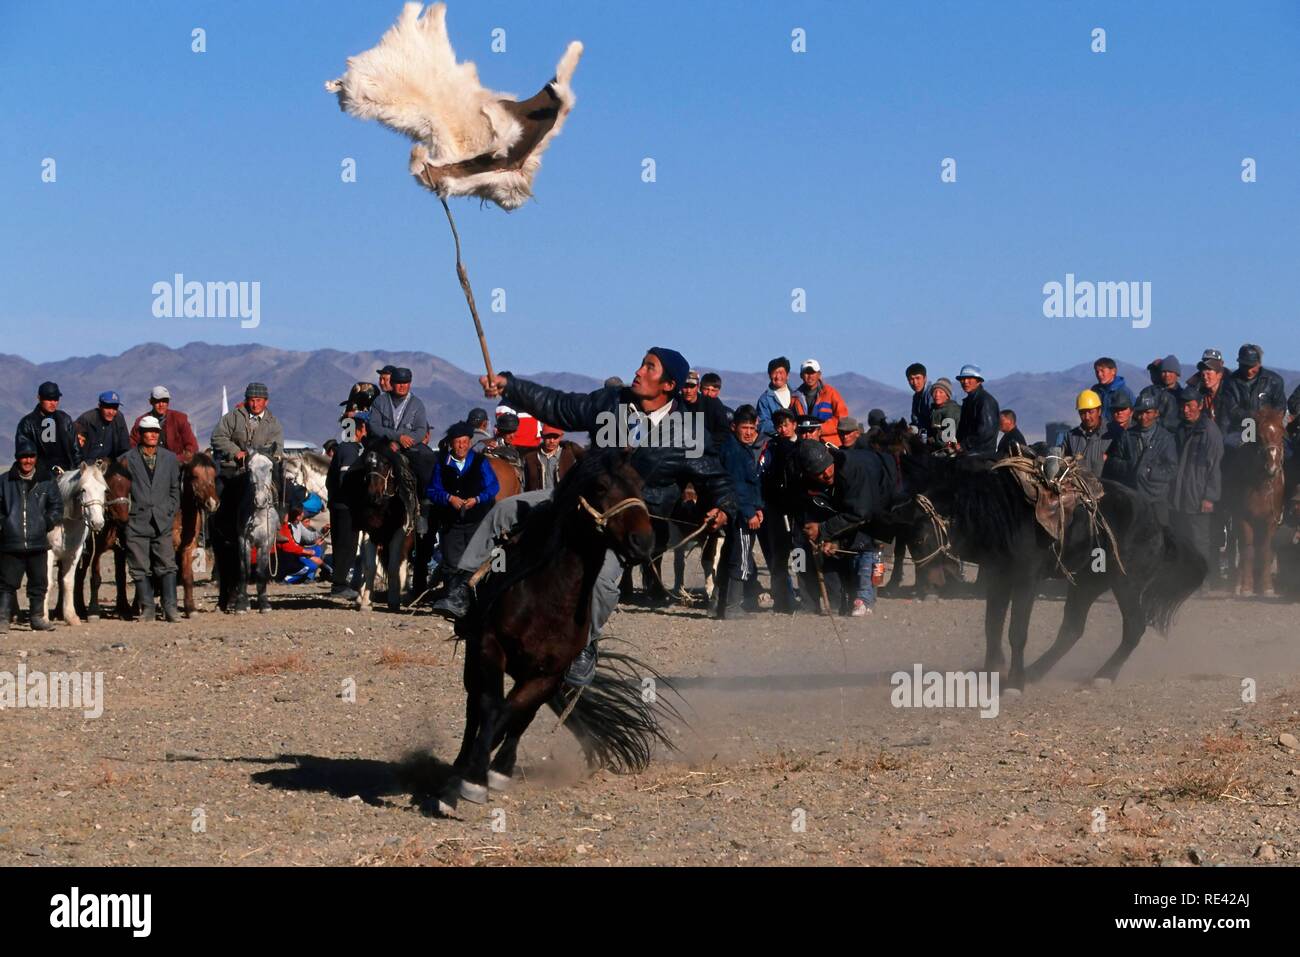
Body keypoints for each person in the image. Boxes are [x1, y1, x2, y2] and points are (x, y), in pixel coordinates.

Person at [438, 348, 735, 685]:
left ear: (668, 384)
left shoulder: (688, 431)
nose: (637, 371)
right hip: (582, 501)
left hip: (628, 523)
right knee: (505, 511)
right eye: (640, 363)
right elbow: (561, 406)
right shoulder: (612, 402)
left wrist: (723, 506)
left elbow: (717, 477)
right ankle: (461, 587)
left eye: (648, 367)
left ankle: (584, 646)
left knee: (605, 579)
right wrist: (510, 386)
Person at [791, 440, 880, 617]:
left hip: (870, 513)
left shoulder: (852, 469)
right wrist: (822, 537)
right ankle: (809, 600)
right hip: (830, 519)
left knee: (863, 555)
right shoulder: (802, 481)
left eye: (827, 467)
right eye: (818, 472)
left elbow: (859, 513)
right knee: (799, 552)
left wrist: (824, 531)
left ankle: (862, 599)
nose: (826, 473)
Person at [119, 416, 182, 622]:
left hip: (162, 519)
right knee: (139, 566)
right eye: (148, 431)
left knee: (167, 564)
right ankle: (147, 609)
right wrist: (127, 515)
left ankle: (170, 608)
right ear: (140, 434)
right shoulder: (127, 459)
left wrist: (169, 510)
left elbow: (175, 489)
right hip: (137, 520)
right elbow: (121, 491)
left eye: (156, 431)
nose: (153, 434)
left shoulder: (170, 458)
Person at [0, 436, 61, 632]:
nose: (27, 460)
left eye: (31, 456)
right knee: (7, 583)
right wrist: (6, 525)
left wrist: (46, 522)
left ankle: (36, 618)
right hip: (11, 542)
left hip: (38, 542)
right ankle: (3, 618)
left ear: (36, 458)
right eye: (23, 456)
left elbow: (57, 507)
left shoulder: (46, 481)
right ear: (17, 458)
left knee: (38, 583)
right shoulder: (4, 481)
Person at [426, 421, 501, 574]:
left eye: (465, 442)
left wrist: (477, 499)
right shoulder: (442, 464)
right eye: (458, 442)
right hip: (451, 524)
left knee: (478, 563)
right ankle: (453, 595)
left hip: (477, 522)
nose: (462, 446)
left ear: (470, 442)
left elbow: (493, 486)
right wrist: (448, 498)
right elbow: (432, 490)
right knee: (452, 565)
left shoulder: (480, 462)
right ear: (451, 444)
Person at [1171, 386, 1224, 588]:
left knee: (1200, 541)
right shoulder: (1180, 429)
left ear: (1200, 406)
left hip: (1199, 495)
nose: (1186, 410)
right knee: (1182, 539)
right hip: (1179, 495)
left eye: (1190, 405)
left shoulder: (1209, 431)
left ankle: (1203, 583)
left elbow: (1215, 467)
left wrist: (1210, 497)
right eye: (1183, 405)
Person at [717, 405, 764, 619]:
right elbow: (738, 486)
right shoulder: (735, 451)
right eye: (744, 427)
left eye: (752, 428)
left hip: (741, 511)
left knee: (730, 555)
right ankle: (732, 608)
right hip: (740, 514)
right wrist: (749, 512)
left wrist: (759, 507)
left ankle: (718, 605)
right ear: (734, 426)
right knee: (742, 558)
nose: (748, 432)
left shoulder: (737, 448)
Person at [757, 408, 799, 612]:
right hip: (776, 509)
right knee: (779, 556)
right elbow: (764, 473)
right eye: (779, 425)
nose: (782, 429)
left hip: (798, 511)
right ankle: (784, 599)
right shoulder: (771, 447)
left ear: (794, 424)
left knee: (800, 553)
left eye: (786, 424)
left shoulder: (802, 446)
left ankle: (806, 594)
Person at [326, 412, 367, 600]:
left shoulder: (344, 448)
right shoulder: (350, 450)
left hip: (339, 505)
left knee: (343, 544)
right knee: (346, 546)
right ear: (360, 429)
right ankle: (340, 585)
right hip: (346, 507)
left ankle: (340, 582)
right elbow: (346, 479)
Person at [1118, 393, 1177, 523]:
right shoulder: (1127, 436)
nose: (1143, 417)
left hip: (1157, 500)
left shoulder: (1166, 438)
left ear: (1156, 413)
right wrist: (1131, 467)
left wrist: (1149, 471)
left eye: (1148, 412)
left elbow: (1172, 470)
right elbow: (1116, 462)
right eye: (1140, 412)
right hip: (1133, 498)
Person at [14, 381, 81, 480]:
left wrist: (79, 472)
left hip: (68, 475)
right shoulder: (27, 423)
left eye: (56, 399)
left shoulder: (65, 419)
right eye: (49, 399)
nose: (53, 403)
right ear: (39, 398)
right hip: (40, 477)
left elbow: (76, 450)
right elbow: (25, 454)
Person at [211, 382, 284, 471]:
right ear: (246, 401)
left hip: (261, 470)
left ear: (266, 402)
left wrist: (257, 457)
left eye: (258, 400)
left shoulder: (273, 424)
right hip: (232, 467)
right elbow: (218, 437)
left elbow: (276, 447)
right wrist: (235, 452)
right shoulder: (233, 417)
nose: (255, 405)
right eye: (252, 400)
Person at [130, 386, 198, 462]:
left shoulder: (180, 419)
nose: (161, 404)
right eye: (157, 401)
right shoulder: (141, 422)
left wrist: (177, 461)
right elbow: (132, 446)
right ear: (151, 402)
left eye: (165, 401)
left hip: (176, 466)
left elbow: (192, 447)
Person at [790, 359, 849, 446]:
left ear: (819, 375)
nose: (809, 376)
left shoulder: (831, 393)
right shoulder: (795, 398)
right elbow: (792, 422)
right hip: (804, 444)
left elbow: (843, 419)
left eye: (812, 372)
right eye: (806, 373)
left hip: (829, 444)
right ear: (801, 375)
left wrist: (819, 429)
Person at [1063, 389, 1110, 476]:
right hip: (1078, 488)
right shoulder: (1071, 437)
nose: (1087, 417)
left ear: (1099, 411)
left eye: (1091, 412)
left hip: (1105, 488)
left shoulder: (1111, 436)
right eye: (1083, 413)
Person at [954, 365, 1000, 455]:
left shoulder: (985, 401)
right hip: (968, 453)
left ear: (978, 381)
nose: (965, 382)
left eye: (969, 378)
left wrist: (964, 445)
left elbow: (986, 432)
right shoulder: (969, 401)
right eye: (962, 379)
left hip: (981, 456)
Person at [75, 391, 131, 463]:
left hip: (110, 465)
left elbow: (125, 447)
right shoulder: (86, 420)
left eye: (115, 408)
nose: (111, 412)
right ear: (100, 406)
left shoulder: (119, 419)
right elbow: (75, 449)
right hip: (87, 465)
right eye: (107, 407)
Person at [523, 422, 576, 492]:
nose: (551, 441)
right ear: (542, 435)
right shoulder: (530, 458)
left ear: (561, 436)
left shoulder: (569, 457)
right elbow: (524, 486)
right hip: (536, 500)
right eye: (548, 436)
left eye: (555, 437)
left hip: (561, 500)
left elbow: (576, 483)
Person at [1138, 355, 1182, 433]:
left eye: (1170, 371)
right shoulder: (1148, 392)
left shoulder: (1183, 395)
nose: (1167, 375)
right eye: (1164, 372)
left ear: (1176, 373)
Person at [756, 357, 794, 439]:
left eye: (781, 373)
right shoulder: (764, 400)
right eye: (774, 373)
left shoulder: (797, 395)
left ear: (787, 375)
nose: (778, 376)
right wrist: (782, 427)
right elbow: (762, 424)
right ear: (769, 375)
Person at [928, 378, 961, 450]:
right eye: (935, 392)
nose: (937, 395)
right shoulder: (935, 410)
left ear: (947, 396)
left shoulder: (951, 411)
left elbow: (947, 438)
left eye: (941, 392)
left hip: (950, 448)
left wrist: (932, 440)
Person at [906, 363, 931, 442]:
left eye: (918, 378)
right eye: (911, 379)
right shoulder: (916, 397)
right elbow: (916, 420)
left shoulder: (932, 393)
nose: (915, 382)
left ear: (925, 378)